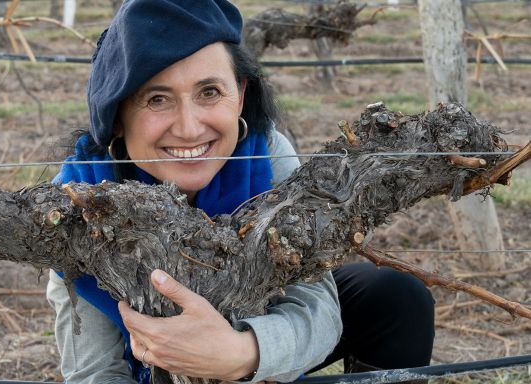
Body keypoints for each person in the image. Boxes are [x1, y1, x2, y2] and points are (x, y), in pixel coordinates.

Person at [46, 1, 434, 383]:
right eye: (156, 99)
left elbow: (316, 310)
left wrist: (241, 354)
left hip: (254, 320)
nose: (189, 128)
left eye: (209, 92)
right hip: (149, 361)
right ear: (115, 118)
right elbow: (94, 369)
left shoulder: (266, 156)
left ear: (241, 94)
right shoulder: (77, 196)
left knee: (394, 297)